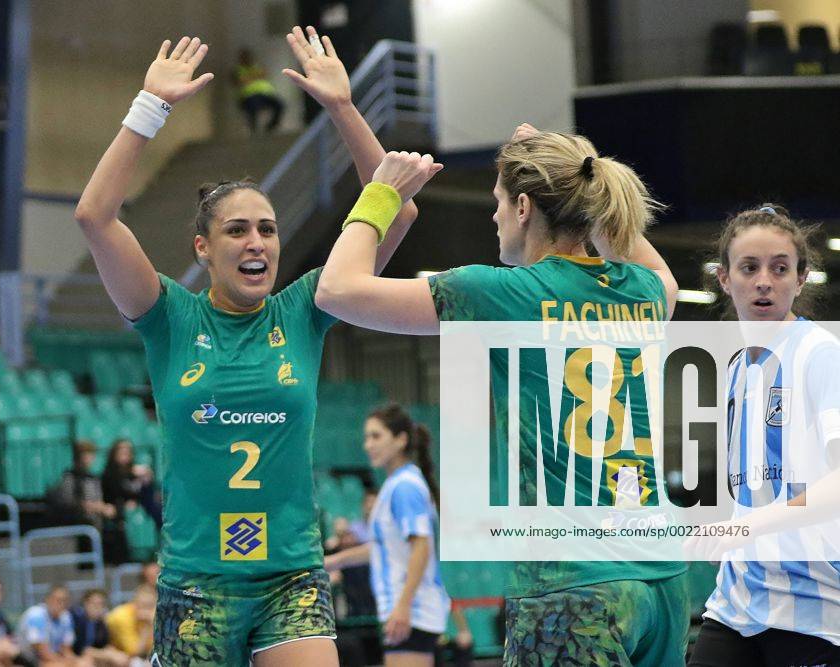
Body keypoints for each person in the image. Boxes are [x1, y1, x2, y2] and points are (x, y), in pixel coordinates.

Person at [74, 25, 418, 666]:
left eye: (267, 228)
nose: (257, 241)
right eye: (237, 230)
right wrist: (150, 108)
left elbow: (394, 211)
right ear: (202, 249)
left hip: (291, 576)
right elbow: (95, 215)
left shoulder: (309, 307)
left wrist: (343, 107)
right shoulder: (166, 316)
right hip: (196, 583)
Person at [313, 125, 690, 665]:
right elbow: (658, 270)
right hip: (661, 580)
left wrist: (381, 192)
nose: (492, 217)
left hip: (570, 584)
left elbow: (336, 290)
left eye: (496, 203)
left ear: (521, 207)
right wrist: (575, 166)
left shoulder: (505, 292)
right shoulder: (643, 292)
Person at [686, 205, 840, 665]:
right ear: (723, 278)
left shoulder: (820, 355)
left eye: (780, 268)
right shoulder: (737, 368)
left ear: (800, 277)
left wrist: (750, 526)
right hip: (736, 604)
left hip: (814, 608)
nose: (764, 281)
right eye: (749, 268)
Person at [325, 405, 449, 666]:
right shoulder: (395, 485)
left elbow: (421, 547)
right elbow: (384, 547)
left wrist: (403, 606)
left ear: (401, 439)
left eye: (376, 436)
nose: (368, 444)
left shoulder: (405, 487)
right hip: (405, 609)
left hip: (411, 611)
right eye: (366, 437)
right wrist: (334, 561)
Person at [50, 441, 122, 561]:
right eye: (84, 455)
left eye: (90, 455)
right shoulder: (69, 479)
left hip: (97, 527)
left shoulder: (94, 478)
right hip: (78, 529)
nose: (87, 459)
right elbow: (67, 503)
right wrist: (94, 507)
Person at [101, 439, 160, 538]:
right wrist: (124, 505)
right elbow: (111, 496)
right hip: (116, 511)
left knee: (154, 502)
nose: (125, 454)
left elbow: (144, 493)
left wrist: (147, 476)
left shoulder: (135, 472)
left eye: (128, 451)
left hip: (139, 507)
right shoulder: (108, 474)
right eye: (122, 452)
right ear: (114, 454)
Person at [16, 586, 82, 667]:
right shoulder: (36, 615)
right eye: (57, 599)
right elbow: (43, 653)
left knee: (84, 664)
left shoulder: (66, 617)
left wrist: (74, 661)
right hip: (28, 659)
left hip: (53, 657)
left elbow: (66, 649)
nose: (60, 603)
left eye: (64, 600)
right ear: (47, 600)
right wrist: (66, 663)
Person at [71, 590, 127, 667]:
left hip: (94, 655)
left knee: (121, 659)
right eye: (94, 603)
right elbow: (82, 650)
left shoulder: (100, 623)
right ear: (86, 603)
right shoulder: (76, 619)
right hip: (76, 656)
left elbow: (104, 644)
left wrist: (114, 653)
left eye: (101, 604)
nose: (97, 607)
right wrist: (106, 655)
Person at [235, 48, 283, 134]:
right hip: (250, 96)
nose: (247, 59)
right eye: (245, 57)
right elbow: (241, 81)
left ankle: (270, 127)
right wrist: (256, 75)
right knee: (253, 107)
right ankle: (254, 130)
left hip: (266, 94)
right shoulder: (239, 70)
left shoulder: (257, 66)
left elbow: (264, 74)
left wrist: (251, 76)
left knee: (280, 105)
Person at [104, 586, 155, 661]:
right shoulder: (122, 617)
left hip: (132, 655)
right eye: (143, 605)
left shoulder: (153, 616)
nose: (146, 611)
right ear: (134, 603)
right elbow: (134, 652)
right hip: (108, 651)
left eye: (150, 606)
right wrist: (147, 627)